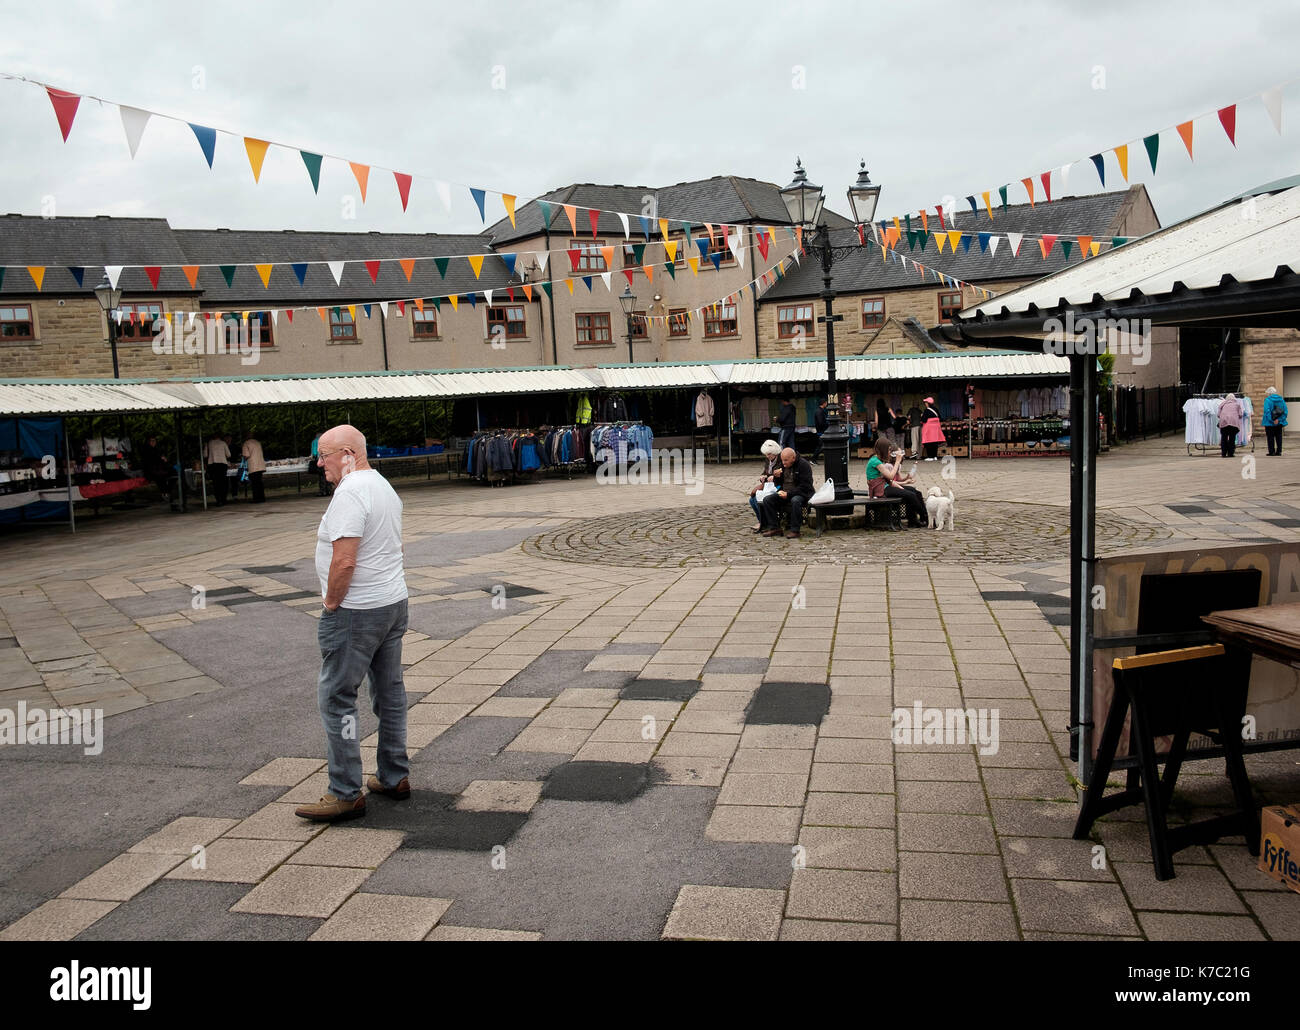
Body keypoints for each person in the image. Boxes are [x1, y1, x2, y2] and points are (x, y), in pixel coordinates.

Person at [295, 424, 411, 823]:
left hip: (356, 612)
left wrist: (331, 602)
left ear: (346, 453)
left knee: (338, 698)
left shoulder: (349, 493)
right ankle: (394, 776)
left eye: (323, 455)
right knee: (389, 692)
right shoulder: (381, 485)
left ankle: (345, 792)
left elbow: (345, 560)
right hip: (392, 602)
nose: (319, 463)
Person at [866, 437, 925, 527]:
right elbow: (890, 476)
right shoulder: (875, 461)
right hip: (881, 490)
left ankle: (914, 520)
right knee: (910, 495)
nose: (889, 452)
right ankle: (925, 516)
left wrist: (903, 484)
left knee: (913, 491)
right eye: (888, 450)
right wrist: (897, 462)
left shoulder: (877, 460)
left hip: (885, 486)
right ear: (883, 449)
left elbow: (889, 480)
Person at [761, 447, 815, 539]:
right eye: (782, 460)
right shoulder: (783, 465)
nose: (783, 462)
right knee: (767, 500)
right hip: (785, 493)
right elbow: (777, 484)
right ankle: (775, 528)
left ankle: (795, 530)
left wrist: (788, 494)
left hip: (802, 494)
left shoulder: (803, 465)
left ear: (793, 458)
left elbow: (805, 486)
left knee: (795, 500)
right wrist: (777, 479)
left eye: (786, 460)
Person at [748, 439, 782, 532]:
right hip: (768, 486)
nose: (768, 456)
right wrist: (762, 476)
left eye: (769, 454)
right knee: (752, 500)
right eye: (766, 454)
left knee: (757, 499)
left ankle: (765, 522)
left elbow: (782, 475)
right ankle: (762, 521)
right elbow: (765, 472)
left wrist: (773, 477)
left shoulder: (781, 460)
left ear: (775, 452)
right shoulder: (768, 460)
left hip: (778, 486)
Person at [140, 436, 178, 511]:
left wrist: (163, 459)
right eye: (151, 441)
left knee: (174, 474)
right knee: (161, 478)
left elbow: (161, 458)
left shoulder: (157, 449)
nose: (153, 442)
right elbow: (149, 461)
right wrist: (160, 459)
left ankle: (167, 493)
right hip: (152, 471)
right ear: (148, 442)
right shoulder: (146, 450)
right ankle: (167, 494)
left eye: (154, 441)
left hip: (160, 469)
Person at [205, 431, 230, 506]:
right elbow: (228, 455)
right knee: (223, 482)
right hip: (222, 464)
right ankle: (224, 499)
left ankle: (218, 500)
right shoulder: (223, 443)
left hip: (213, 464)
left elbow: (205, 455)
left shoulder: (209, 443)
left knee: (216, 483)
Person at [1263, 387, 1288, 456]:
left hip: (1269, 423)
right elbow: (1285, 411)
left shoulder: (1267, 400)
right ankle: (1279, 451)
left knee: (1270, 437)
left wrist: (1272, 420)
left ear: (1269, 393)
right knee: (1279, 437)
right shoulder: (1281, 400)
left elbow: (1267, 411)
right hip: (1279, 423)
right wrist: (1279, 420)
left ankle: (1272, 452)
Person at [242, 431, 267, 503]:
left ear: (246, 436)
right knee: (259, 482)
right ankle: (262, 498)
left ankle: (256, 499)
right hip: (260, 465)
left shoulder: (246, 443)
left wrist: (243, 457)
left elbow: (246, 455)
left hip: (253, 466)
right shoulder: (257, 442)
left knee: (254, 483)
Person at [1218, 393, 1244, 458]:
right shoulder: (1237, 404)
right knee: (1232, 438)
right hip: (1233, 423)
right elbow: (1241, 414)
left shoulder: (1222, 404)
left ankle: (1223, 453)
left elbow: (1218, 415)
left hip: (1224, 422)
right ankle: (1230, 453)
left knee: (1224, 438)